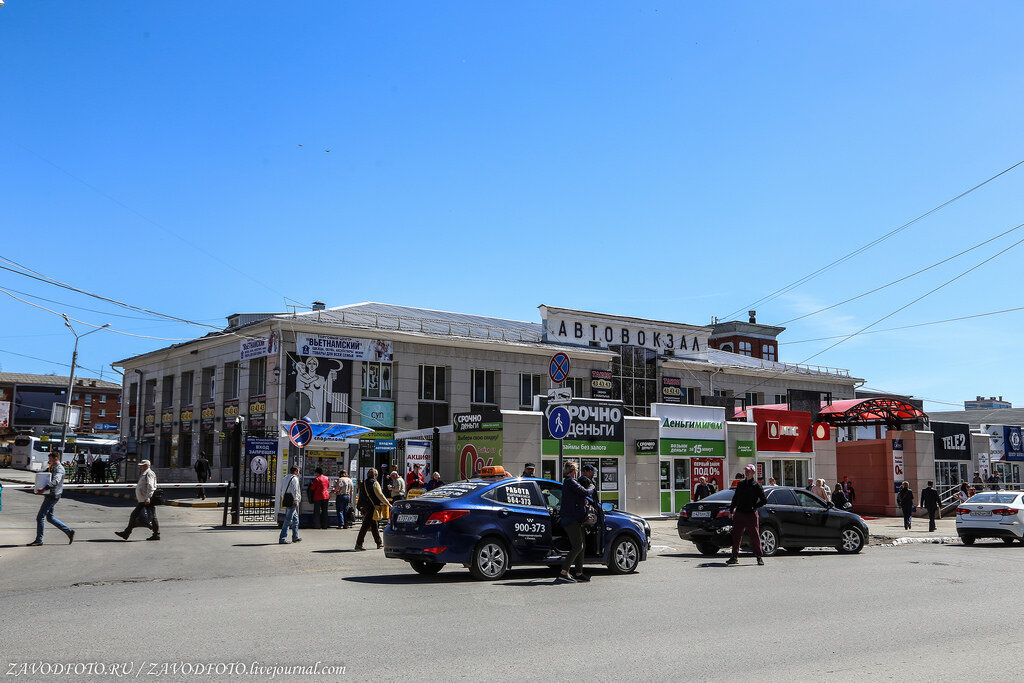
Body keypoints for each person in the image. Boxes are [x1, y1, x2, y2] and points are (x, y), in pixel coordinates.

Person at [27, 451, 74, 546]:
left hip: (53, 496)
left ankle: (39, 539)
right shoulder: (55, 467)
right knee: (50, 518)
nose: (49, 461)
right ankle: (69, 531)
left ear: (55, 458)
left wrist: (44, 489)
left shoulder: (59, 469)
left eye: (50, 459)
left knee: (40, 517)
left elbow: (55, 481)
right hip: (51, 495)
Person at [555, 460, 591, 584]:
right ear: (572, 471)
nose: (576, 472)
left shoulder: (571, 483)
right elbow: (585, 492)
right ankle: (563, 572)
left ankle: (579, 573)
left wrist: (583, 501)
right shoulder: (570, 482)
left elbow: (577, 496)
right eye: (575, 469)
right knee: (577, 546)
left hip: (576, 519)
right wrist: (591, 487)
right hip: (571, 519)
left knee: (582, 546)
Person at [727, 464, 768, 565]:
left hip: (751, 514)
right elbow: (735, 498)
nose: (747, 472)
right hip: (740, 512)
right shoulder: (740, 484)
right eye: (746, 471)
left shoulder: (756, 485)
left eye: (749, 471)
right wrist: (731, 510)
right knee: (736, 535)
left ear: (753, 473)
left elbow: (764, 500)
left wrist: (755, 506)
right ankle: (734, 557)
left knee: (754, 536)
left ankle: (759, 557)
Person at [115, 460, 160, 541]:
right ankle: (156, 534)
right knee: (151, 517)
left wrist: (148, 497)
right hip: (143, 499)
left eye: (142, 465)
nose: (140, 467)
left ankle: (126, 533)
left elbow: (151, 487)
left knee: (135, 515)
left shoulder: (149, 473)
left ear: (146, 466)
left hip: (146, 500)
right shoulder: (144, 473)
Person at [355, 468, 389, 551]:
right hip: (372, 506)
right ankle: (359, 544)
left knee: (374, 524)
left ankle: (379, 542)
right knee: (365, 525)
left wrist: (360, 506)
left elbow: (361, 495)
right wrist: (388, 503)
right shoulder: (374, 483)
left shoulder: (364, 483)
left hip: (364, 506)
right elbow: (380, 494)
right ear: (375, 475)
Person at [279, 466, 302, 544]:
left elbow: (282, 489)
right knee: (288, 520)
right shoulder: (295, 478)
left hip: (286, 499)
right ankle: (282, 538)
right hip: (292, 500)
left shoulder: (285, 478)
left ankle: (295, 537)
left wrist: (284, 498)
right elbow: (295, 490)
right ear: (295, 471)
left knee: (296, 520)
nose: (298, 473)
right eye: (298, 471)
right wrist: (296, 500)